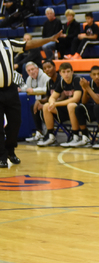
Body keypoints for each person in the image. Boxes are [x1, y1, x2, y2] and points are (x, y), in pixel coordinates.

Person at [1, 34, 59, 166]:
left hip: (10, 89)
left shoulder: (7, 44)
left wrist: (49, 39)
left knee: (16, 121)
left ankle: (11, 151)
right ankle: (1, 156)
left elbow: (30, 44)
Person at [37, 61, 82, 147]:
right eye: (63, 72)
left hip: (80, 109)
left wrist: (56, 104)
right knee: (46, 106)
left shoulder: (77, 80)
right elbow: (52, 97)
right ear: (60, 73)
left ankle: (76, 136)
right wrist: (52, 103)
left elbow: (76, 99)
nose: (66, 74)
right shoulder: (62, 82)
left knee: (71, 105)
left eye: (68, 71)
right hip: (67, 110)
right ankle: (51, 136)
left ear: (72, 72)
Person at [26, 59, 60, 143]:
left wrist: (44, 101)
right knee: (35, 106)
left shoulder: (57, 79)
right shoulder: (49, 82)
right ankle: (41, 132)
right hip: (52, 103)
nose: (47, 70)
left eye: (32, 69)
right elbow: (49, 96)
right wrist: (40, 101)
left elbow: (61, 97)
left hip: (60, 106)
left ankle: (49, 134)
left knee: (44, 107)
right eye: (29, 70)